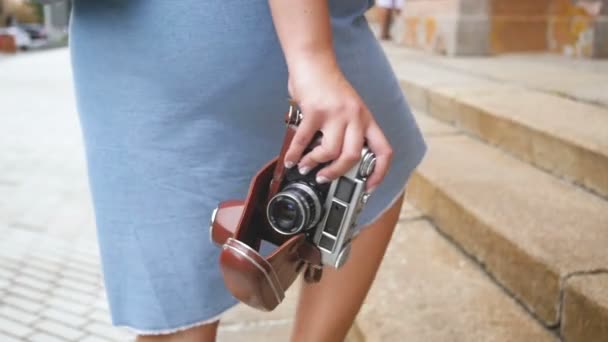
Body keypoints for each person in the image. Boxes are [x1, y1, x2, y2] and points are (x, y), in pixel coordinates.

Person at [68, 0, 426, 341]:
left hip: (122, 43)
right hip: (268, 27)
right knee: (367, 164)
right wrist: (312, 58)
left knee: (174, 298)